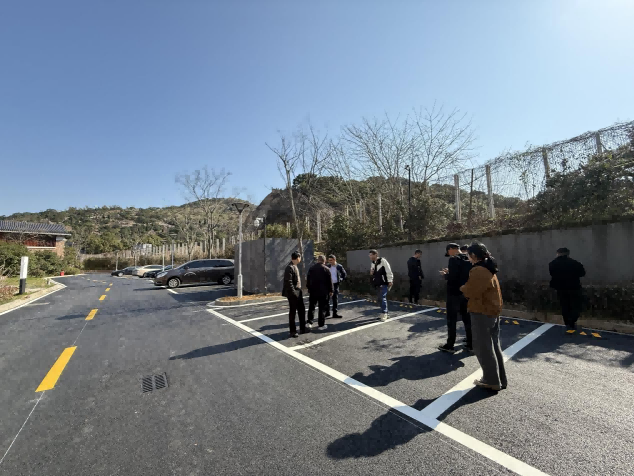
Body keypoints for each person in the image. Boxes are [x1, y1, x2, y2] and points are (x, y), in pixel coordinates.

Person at [460, 242, 506, 391]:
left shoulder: (478, 270)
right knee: (493, 346)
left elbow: (471, 291)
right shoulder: (488, 266)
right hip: (491, 311)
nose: (468, 258)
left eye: (468, 255)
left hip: (482, 311)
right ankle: (499, 379)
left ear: (473, 255)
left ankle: (491, 380)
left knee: (482, 347)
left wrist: (462, 287)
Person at [438, 243, 473, 353]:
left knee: (452, 320)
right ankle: (471, 344)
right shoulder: (468, 258)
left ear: (450, 249)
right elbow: (463, 274)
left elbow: (453, 278)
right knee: (467, 319)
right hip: (465, 293)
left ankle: (450, 345)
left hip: (454, 294)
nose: (449, 254)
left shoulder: (453, 259)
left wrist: (445, 275)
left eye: (448, 252)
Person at [549, 247, 586, 332]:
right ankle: (572, 321)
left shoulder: (552, 264)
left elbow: (552, 274)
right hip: (574, 287)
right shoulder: (575, 263)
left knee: (564, 305)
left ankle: (567, 323)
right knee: (575, 305)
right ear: (568, 254)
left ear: (558, 253)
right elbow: (582, 273)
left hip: (560, 287)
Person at [282, 251, 308, 338]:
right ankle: (293, 331)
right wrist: (294, 293)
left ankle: (303, 328)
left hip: (298, 291)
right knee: (293, 312)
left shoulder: (294, 266)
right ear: (298, 258)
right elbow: (288, 282)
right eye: (300, 258)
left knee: (301, 310)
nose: (300, 259)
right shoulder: (289, 267)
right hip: (293, 293)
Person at [306, 255, 334, 330]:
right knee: (322, 308)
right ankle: (321, 324)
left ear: (318, 260)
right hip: (323, 292)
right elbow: (330, 281)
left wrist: (309, 288)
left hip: (313, 291)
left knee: (311, 307)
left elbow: (308, 280)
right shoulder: (326, 269)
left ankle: (309, 322)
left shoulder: (311, 268)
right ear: (324, 261)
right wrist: (331, 290)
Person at [369, 249, 393, 322]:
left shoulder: (383, 261)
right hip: (377, 283)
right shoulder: (372, 263)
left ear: (375, 255)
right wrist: (371, 273)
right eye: (369, 255)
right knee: (379, 298)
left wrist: (390, 280)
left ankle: (384, 313)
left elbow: (388, 270)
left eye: (371, 255)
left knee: (382, 297)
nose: (370, 256)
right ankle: (385, 313)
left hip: (384, 282)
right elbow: (372, 273)